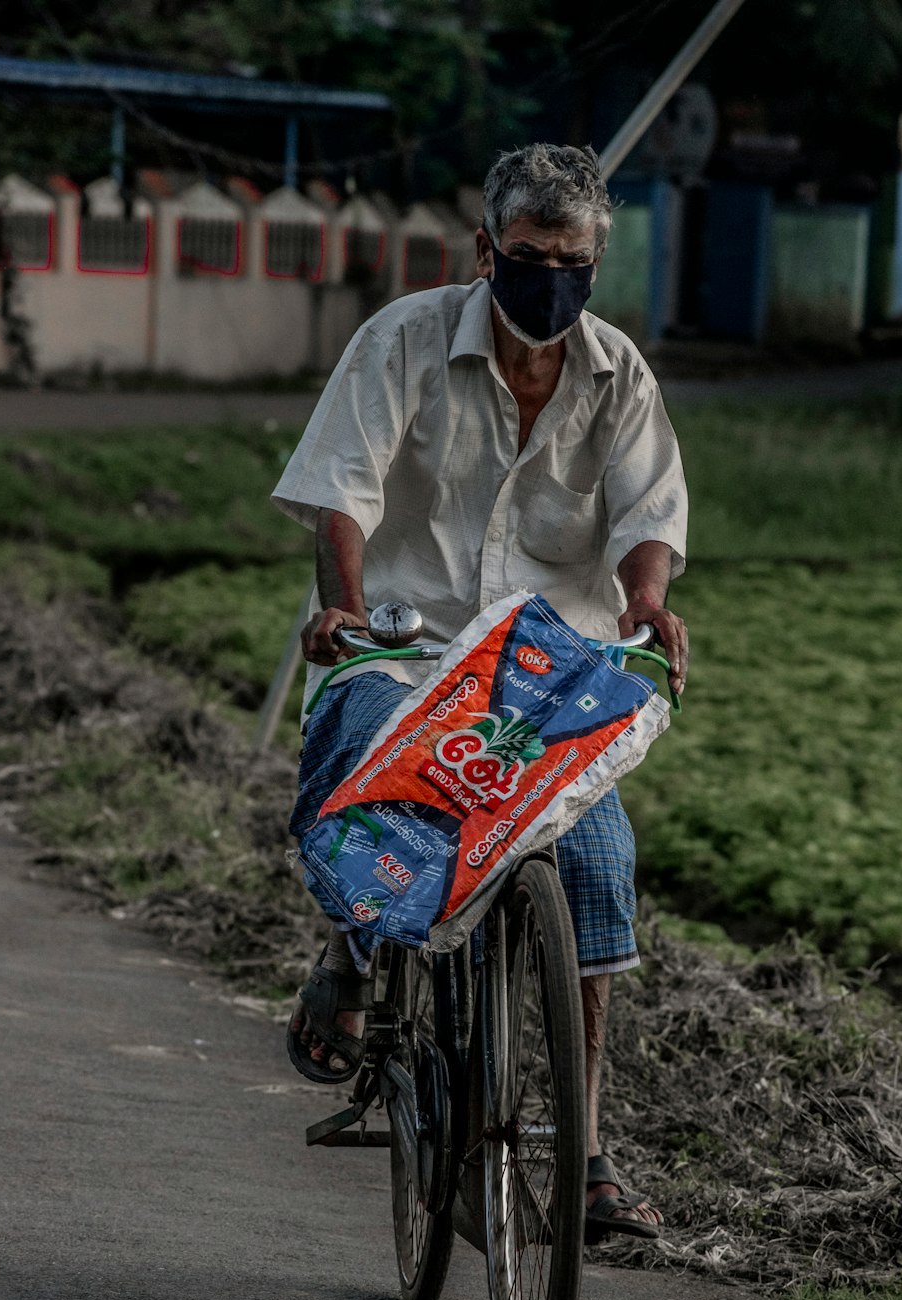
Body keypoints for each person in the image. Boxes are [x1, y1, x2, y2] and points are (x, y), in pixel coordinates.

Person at [272, 142, 688, 1240]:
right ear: (485, 251)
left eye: (570, 260)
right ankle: (352, 951)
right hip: (412, 645)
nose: (549, 277)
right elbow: (341, 500)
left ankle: (590, 1152)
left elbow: (650, 524)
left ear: (594, 266)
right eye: (529, 254)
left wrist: (647, 606)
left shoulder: (619, 378)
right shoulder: (402, 342)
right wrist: (345, 610)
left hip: (550, 670)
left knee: (596, 860)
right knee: (365, 755)